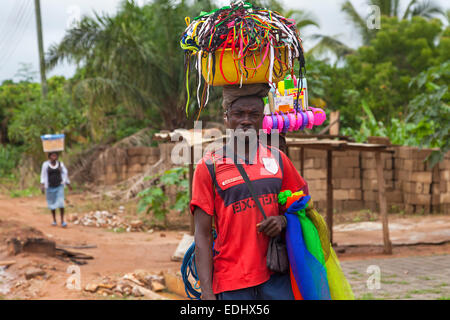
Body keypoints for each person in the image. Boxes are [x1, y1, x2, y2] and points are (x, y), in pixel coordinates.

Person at [190, 84, 309, 300]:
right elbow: (203, 234)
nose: (246, 120)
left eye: (254, 114)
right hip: (232, 281)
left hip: (277, 276)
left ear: (262, 120)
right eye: (238, 114)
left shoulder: (278, 159)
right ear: (227, 118)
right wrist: (206, 292)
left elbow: (303, 209)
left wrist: (283, 220)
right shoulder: (209, 166)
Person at [40, 152, 72, 227]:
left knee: (61, 204)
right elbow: (43, 175)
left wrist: (68, 184)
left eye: (55, 155)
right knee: (52, 204)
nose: (54, 157)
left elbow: (65, 174)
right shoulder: (45, 165)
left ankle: (62, 221)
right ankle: (54, 220)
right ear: (49, 157)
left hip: (59, 186)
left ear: (57, 157)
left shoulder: (60, 164)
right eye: (52, 155)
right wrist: (42, 185)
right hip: (50, 186)